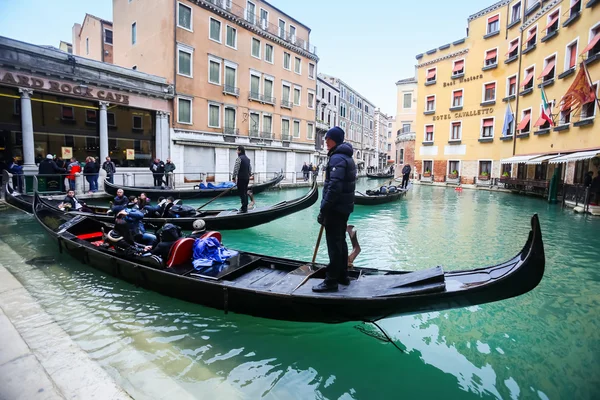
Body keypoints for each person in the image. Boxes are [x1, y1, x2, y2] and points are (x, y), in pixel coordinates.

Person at [313, 127, 356, 293]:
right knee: (341, 241)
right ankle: (343, 275)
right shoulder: (346, 157)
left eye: (327, 138)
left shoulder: (337, 158)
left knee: (333, 245)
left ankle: (331, 281)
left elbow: (334, 187)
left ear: (334, 140)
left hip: (335, 208)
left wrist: (324, 208)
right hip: (344, 207)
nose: (325, 141)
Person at [232, 146, 252, 213]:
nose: (236, 152)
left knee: (241, 193)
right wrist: (249, 174)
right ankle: (244, 207)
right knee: (245, 192)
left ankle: (244, 208)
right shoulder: (248, 159)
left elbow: (236, 169)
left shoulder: (239, 159)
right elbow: (250, 169)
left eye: (237, 150)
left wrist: (233, 177)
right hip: (246, 178)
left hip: (241, 178)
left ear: (240, 151)